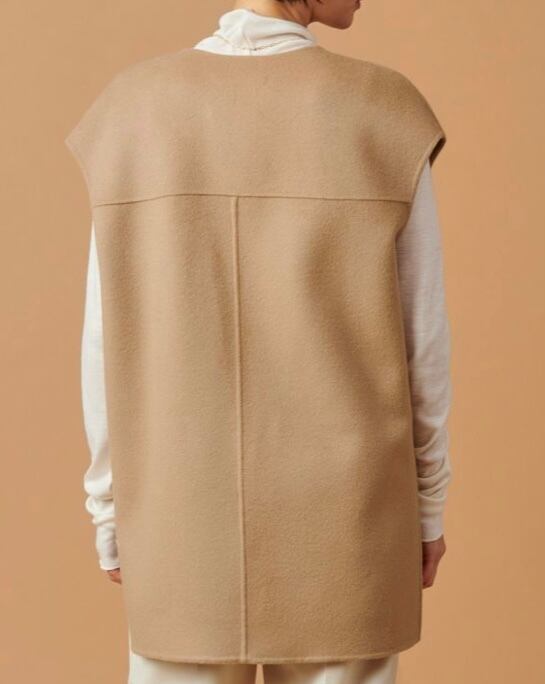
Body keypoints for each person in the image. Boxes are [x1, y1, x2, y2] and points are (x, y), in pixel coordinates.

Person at [69, 1, 453, 683]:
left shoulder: (132, 110)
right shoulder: (382, 111)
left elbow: (105, 340)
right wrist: (426, 506)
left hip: (181, 507)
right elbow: (421, 340)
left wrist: (109, 508)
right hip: (350, 516)